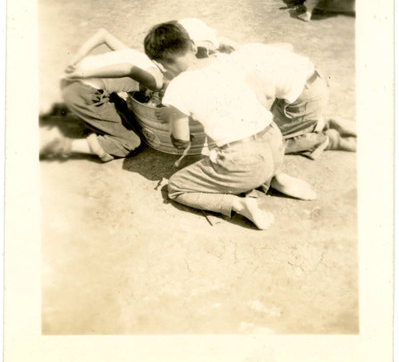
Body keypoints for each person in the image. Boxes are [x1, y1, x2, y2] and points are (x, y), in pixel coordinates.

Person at [144, 21, 317, 230]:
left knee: (176, 187)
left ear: (161, 65)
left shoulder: (177, 87)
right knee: (252, 153)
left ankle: (238, 203)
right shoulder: (225, 60)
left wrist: (174, 118)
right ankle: (274, 177)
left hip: (244, 158)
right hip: (274, 139)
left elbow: (181, 140)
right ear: (192, 45)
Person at [40, 28, 163, 162]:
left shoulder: (142, 58)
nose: (152, 102)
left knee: (129, 117)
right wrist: (83, 75)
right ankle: (56, 144)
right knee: (132, 142)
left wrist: (75, 59)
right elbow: (127, 68)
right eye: (156, 101)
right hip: (82, 92)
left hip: (75, 81)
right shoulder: (155, 83)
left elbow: (103, 34)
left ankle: (73, 114)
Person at [227, 43, 356, 158]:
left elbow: (264, 100)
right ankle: (322, 123)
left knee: (267, 142)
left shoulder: (240, 73)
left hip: (305, 96)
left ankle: (325, 140)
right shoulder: (244, 49)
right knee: (273, 126)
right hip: (316, 80)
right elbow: (288, 46)